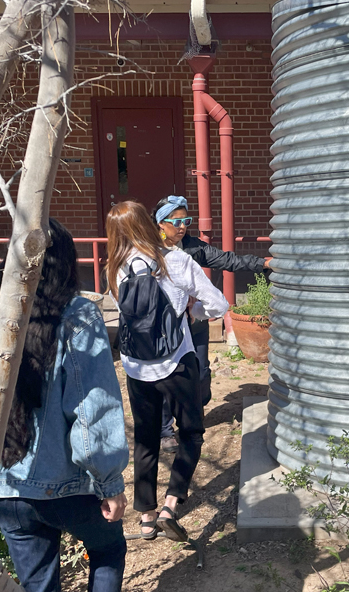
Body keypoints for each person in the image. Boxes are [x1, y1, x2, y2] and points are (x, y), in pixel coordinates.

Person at [0, 219, 129, 592]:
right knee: (108, 549)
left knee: (39, 584)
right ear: (66, 261)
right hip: (69, 488)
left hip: (4, 486)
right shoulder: (77, 316)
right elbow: (91, 410)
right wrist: (109, 482)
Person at [105, 200, 229, 542]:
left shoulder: (115, 267)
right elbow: (220, 304)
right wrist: (195, 314)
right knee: (190, 432)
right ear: (149, 223)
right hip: (177, 362)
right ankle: (171, 506)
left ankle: (146, 517)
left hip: (136, 367)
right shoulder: (175, 260)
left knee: (146, 439)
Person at [153, 195, 271, 451]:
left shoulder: (193, 247)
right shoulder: (150, 250)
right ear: (161, 223)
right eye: (177, 221)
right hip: (165, 327)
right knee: (165, 376)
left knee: (201, 374)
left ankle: (192, 411)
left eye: (187, 220)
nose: (182, 226)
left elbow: (228, 260)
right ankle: (165, 431)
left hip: (194, 323)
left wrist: (261, 264)